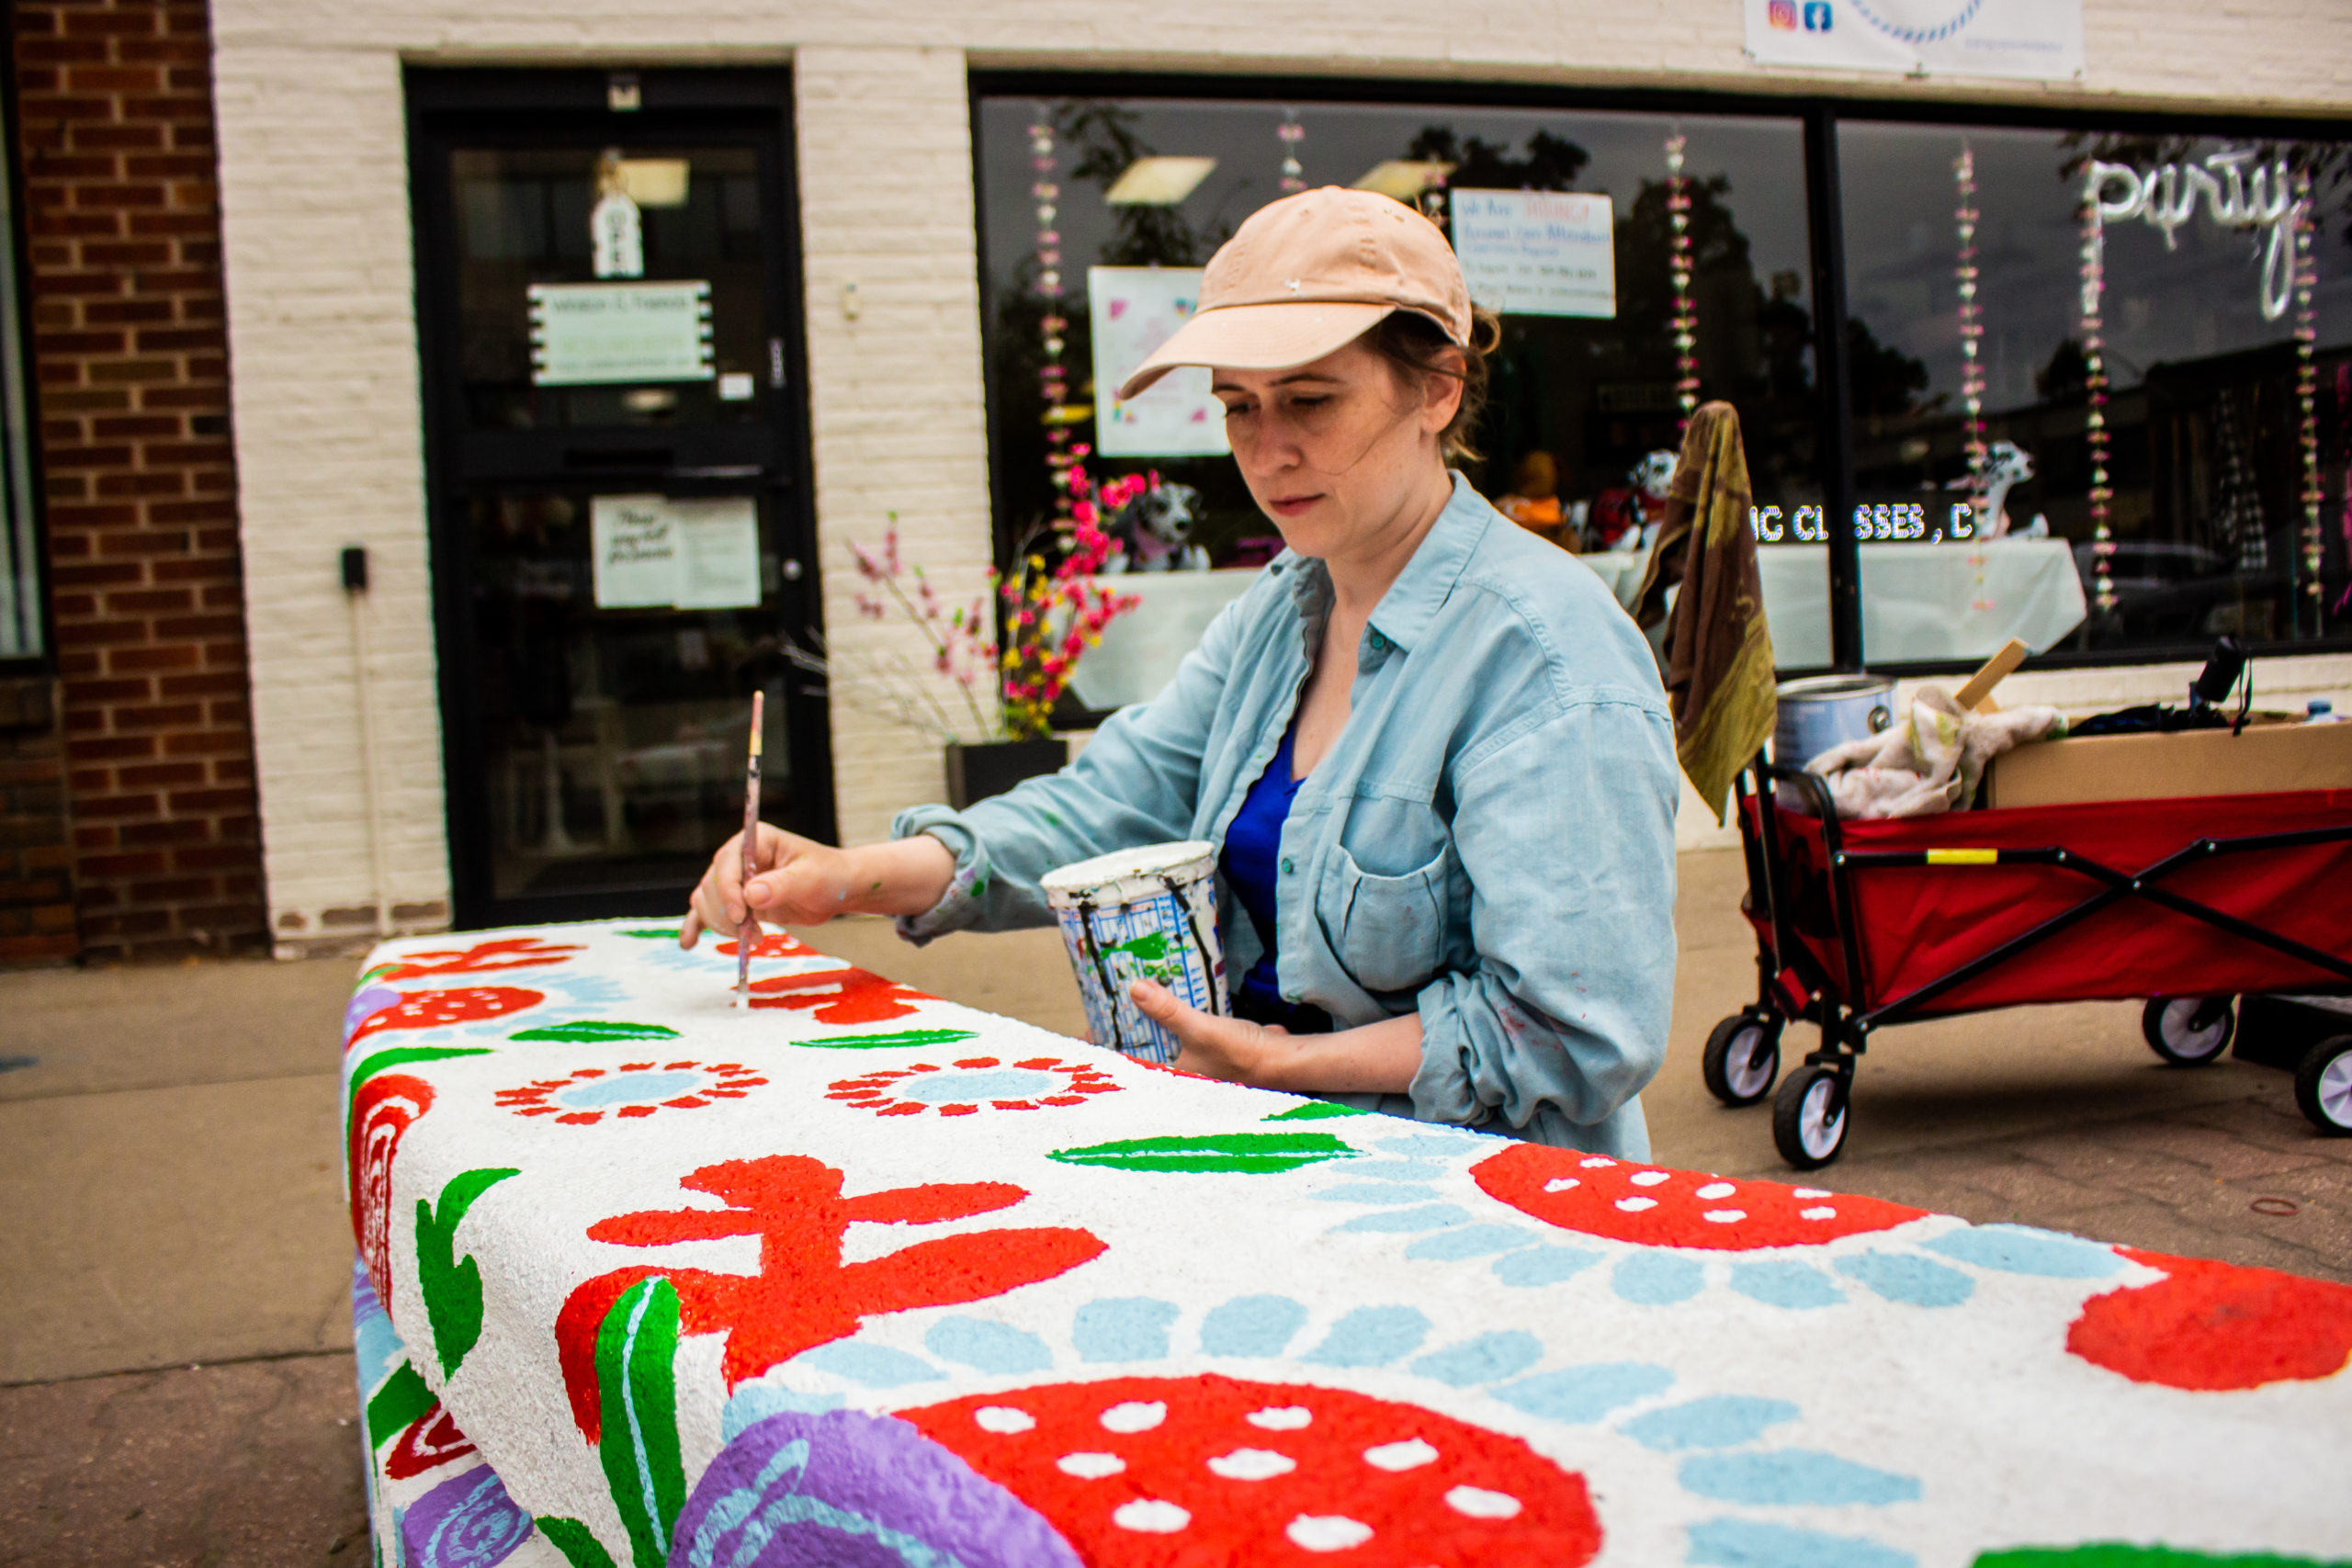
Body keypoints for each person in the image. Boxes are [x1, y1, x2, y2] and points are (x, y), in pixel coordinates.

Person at [683, 186, 1680, 1156]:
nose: (1267, 450)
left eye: (1309, 400)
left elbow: (1573, 1032)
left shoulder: (1547, 656)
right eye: (1238, 407)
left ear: (1438, 388)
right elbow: (1111, 802)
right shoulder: (1284, 605)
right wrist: (850, 877)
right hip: (1274, 1159)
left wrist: (1280, 1061)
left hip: (1480, 1207)